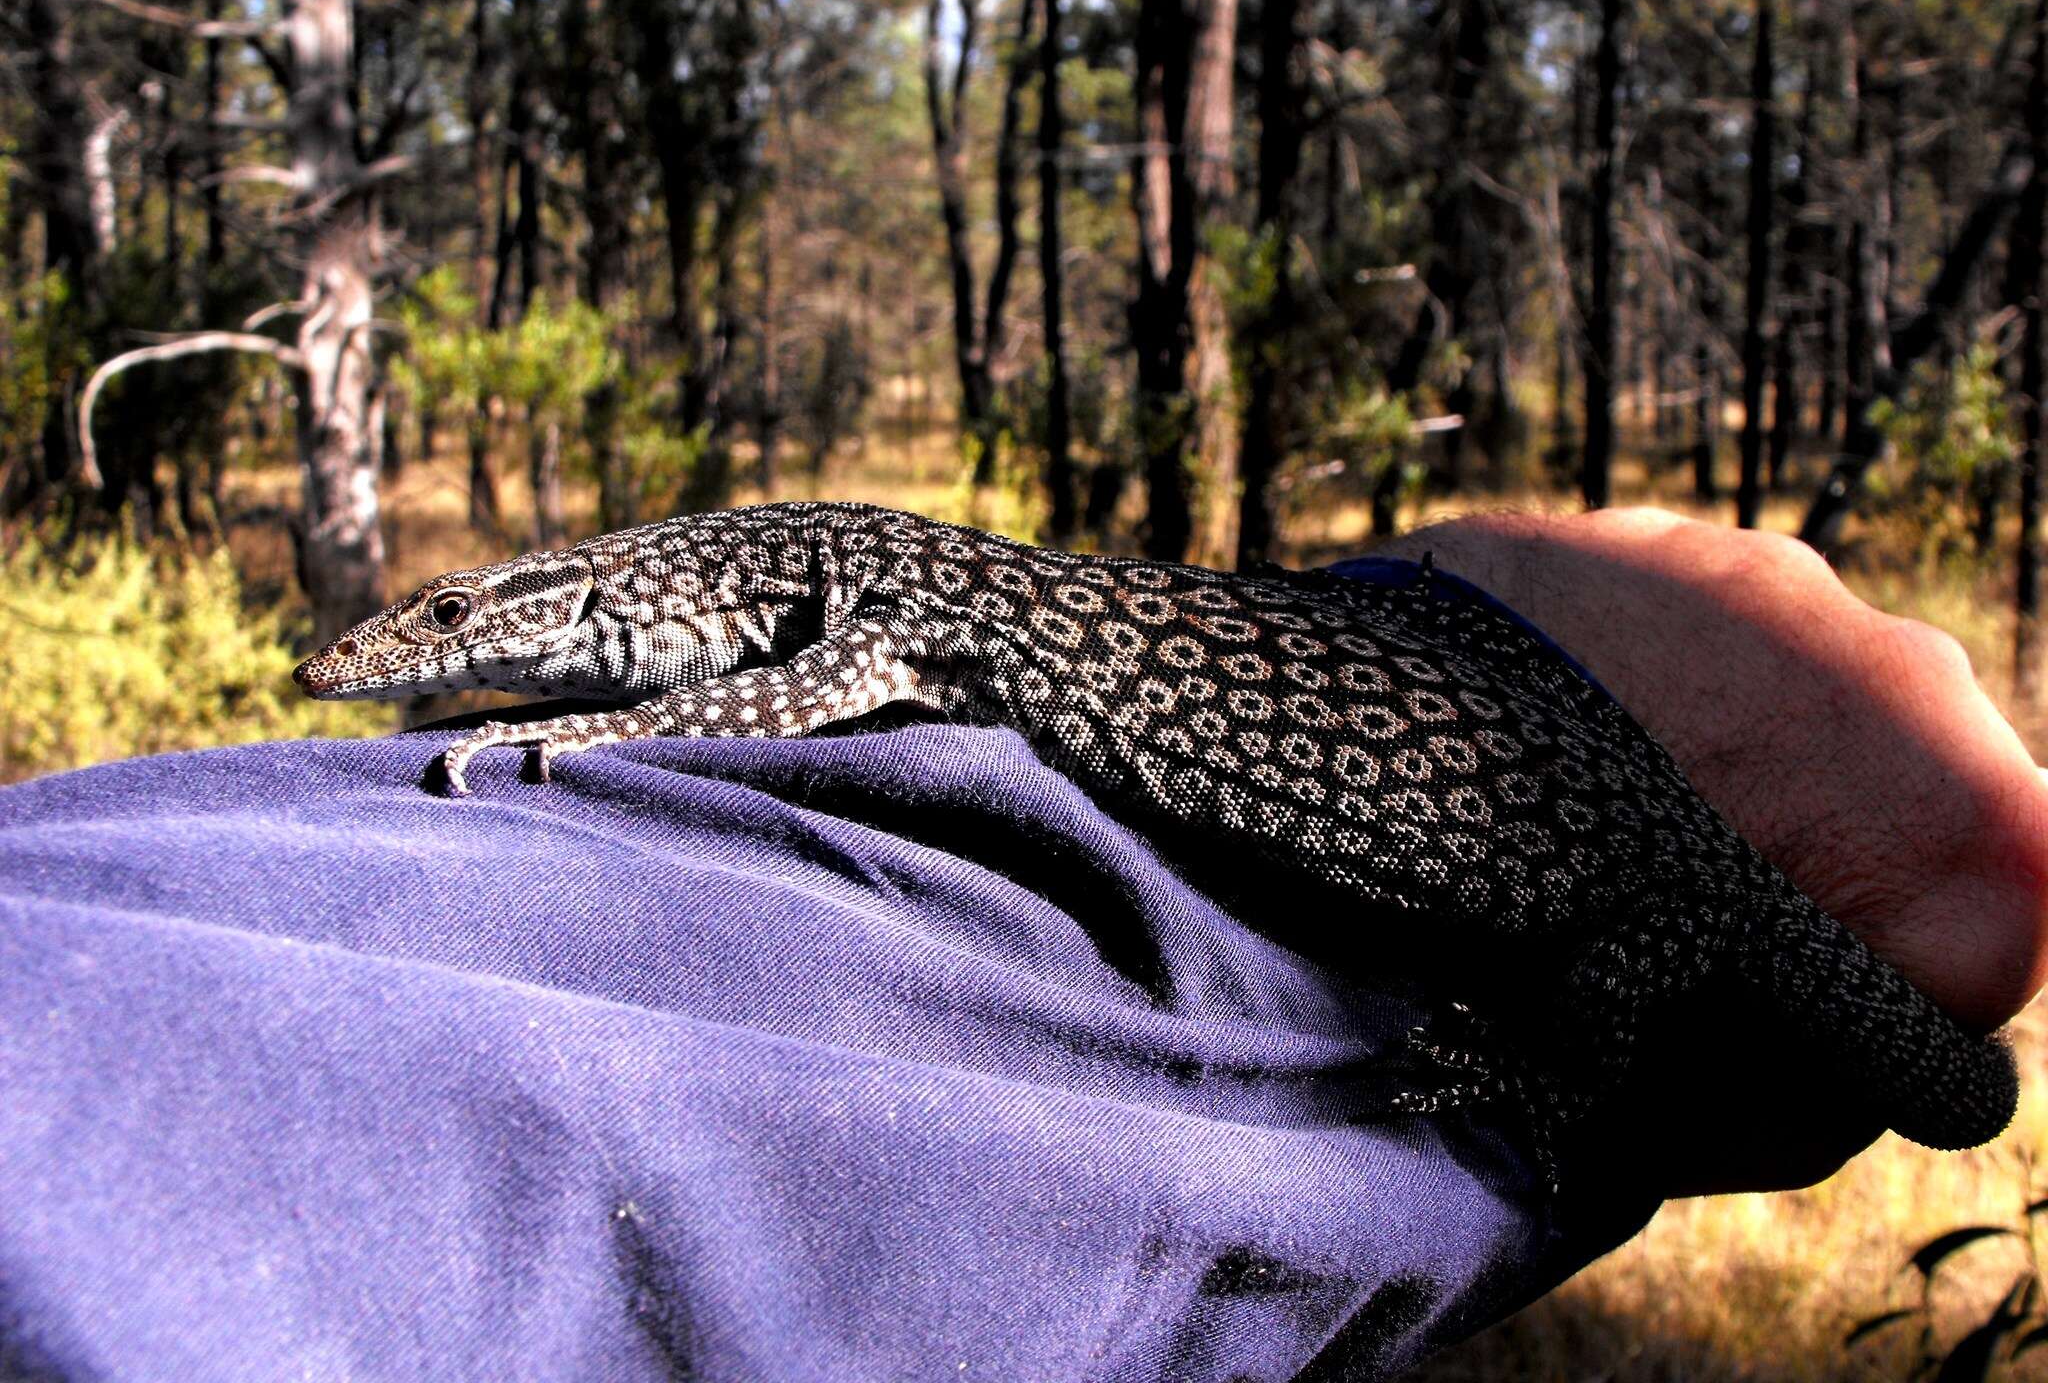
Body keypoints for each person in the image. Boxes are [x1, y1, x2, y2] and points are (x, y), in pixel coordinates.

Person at [0, 507, 2040, 1382]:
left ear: (653, 604)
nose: (414, 660)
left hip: (1623, 885)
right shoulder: (866, 587)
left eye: (457, 630)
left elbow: (842, 681)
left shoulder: (861, 610)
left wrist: (606, 734)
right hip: (1577, 800)